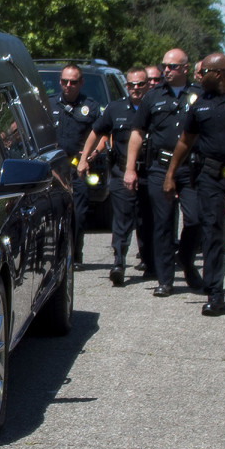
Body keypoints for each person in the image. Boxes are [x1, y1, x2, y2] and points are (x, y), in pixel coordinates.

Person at [163, 52, 225, 316]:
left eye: (203, 73)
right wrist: (171, 173)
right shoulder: (201, 103)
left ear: (218, 73)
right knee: (212, 234)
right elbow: (185, 140)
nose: (199, 77)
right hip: (210, 177)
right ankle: (215, 293)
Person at [124, 49, 202, 297]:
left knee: (196, 218)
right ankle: (165, 279)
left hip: (190, 167)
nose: (166, 70)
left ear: (185, 68)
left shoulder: (199, 94)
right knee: (162, 223)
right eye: (164, 66)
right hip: (160, 166)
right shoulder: (153, 96)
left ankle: (186, 259)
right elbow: (137, 132)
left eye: (172, 66)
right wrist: (130, 168)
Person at [79, 66, 150, 284]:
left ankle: (152, 262)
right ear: (126, 86)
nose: (136, 88)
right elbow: (97, 131)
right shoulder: (115, 108)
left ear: (148, 85)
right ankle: (119, 262)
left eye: (140, 84)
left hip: (150, 171)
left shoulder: (156, 107)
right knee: (121, 218)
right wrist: (84, 157)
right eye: (131, 85)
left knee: (148, 219)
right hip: (121, 171)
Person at [50, 64, 100, 265]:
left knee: (79, 213)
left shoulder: (90, 107)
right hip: (54, 169)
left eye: (73, 82)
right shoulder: (49, 104)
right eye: (65, 81)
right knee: (55, 213)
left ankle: (76, 254)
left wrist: (92, 155)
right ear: (60, 81)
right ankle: (57, 256)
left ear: (81, 82)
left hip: (77, 167)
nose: (68, 85)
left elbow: (102, 134)